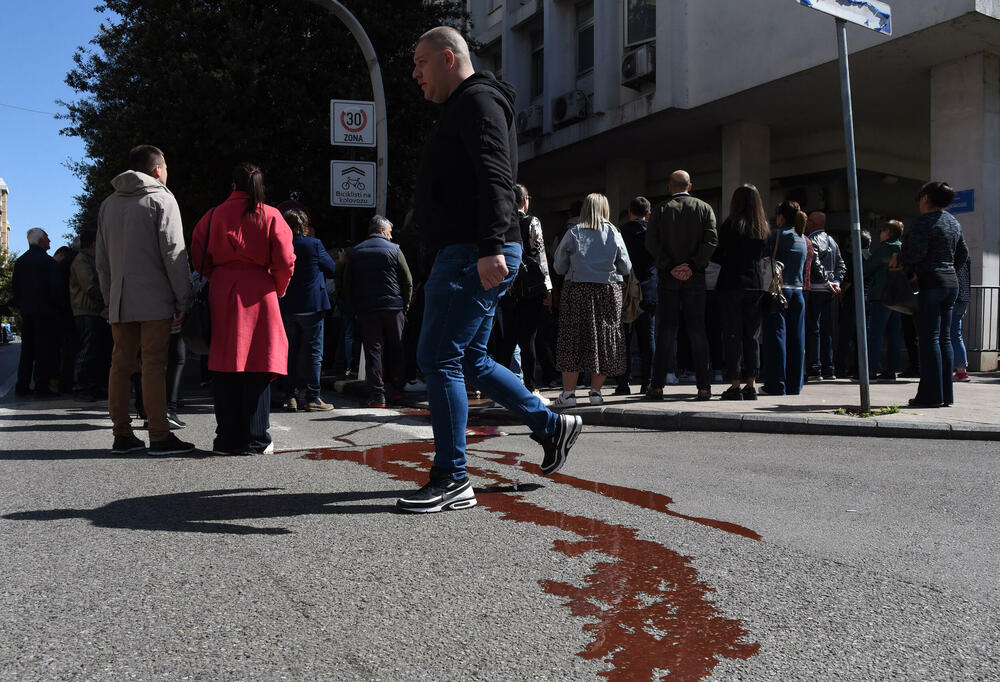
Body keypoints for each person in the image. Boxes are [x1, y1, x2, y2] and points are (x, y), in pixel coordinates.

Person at [400, 26, 583, 513]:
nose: (414, 74)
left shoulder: (477, 101)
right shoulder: (468, 104)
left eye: (420, 63)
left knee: (438, 357)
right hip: (471, 249)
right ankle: (550, 424)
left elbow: (496, 176)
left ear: (447, 58)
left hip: (472, 252)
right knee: (470, 361)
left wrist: (489, 246)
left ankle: (452, 478)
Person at [191, 162, 295, 454]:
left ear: (232, 185)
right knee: (259, 363)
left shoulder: (212, 216)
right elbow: (286, 260)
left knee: (224, 364)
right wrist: (277, 286)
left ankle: (226, 438)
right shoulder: (272, 215)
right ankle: (256, 438)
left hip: (223, 289)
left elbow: (198, 256)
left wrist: (218, 275)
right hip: (260, 291)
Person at [97, 145, 193, 455]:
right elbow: (174, 254)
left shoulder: (108, 205)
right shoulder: (162, 199)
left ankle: (121, 434)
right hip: (155, 300)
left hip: (120, 301)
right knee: (154, 365)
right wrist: (183, 298)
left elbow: (101, 261)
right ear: (156, 170)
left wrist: (110, 298)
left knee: (120, 365)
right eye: (165, 167)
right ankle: (160, 435)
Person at [551, 193, 631, 406]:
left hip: (577, 290)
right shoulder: (614, 232)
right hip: (607, 290)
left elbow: (558, 266)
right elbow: (626, 266)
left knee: (573, 340)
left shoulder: (574, 232)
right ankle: (596, 392)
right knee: (604, 340)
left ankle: (568, 395)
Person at [645, 170, 718, 401]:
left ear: (670, 187)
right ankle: (704, 387)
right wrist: (693, 266)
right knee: (698, 330)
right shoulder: (704, 208)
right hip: (695, 277)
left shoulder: (660, 210)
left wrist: (669, 266)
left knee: (666, 330)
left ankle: (657, 386)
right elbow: (711, 240)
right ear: (690, 186)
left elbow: (652, 242)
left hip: (668, 276)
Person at [898, 181, 968, 407]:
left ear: (926, 198)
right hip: (950, 284)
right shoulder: (954, 223)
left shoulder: (923, 222)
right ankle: (946, 395)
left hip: (930, 283)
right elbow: (962, 254)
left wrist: (905, 264)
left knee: (928, 340)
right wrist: (949, 270)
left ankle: (929, 396)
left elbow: (916, 253)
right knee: (945, 338)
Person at [343, 215, 413, 408]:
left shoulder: (356, 252)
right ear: (382, 231)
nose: (391, 237)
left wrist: (354, 308)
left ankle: (377, 395)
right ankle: (398, 389)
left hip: (367, 309)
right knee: (397, 347)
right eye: (389, 233)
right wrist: (404, 307)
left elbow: (348, 284)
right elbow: (407, 281)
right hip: (393, 308)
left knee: (373, 350)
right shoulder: (395, 250)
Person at [711, 184, 768, 400]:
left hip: (731, 283)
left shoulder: (731, 224)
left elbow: (716, 255)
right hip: (755, 284)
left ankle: (734, 383)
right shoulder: (762, 226)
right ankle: (751, 384)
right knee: (751, 336)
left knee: (732, 334)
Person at [495, 184, 553, 399]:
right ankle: (530, 388)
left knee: (507, 339)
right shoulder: (531, 221)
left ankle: (499, 388)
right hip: (530, 288)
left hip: (507, 286)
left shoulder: (501, 222)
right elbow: (540, 256)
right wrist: (547, 287)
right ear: (524, 199)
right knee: (528, 339)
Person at [279, 207, 336, 412]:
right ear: (303, 225)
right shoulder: (314, 244)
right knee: (313, 353)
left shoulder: (280, 245)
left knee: (290, 352)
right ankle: (312, 397)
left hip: (287, 306)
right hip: (312, 306)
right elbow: (331, 268)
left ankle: (290, 396)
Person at [759, 201, 809, 396]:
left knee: (776, 337)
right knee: (797, 339)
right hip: (798, 292)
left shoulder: (776, 235)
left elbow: (764, 259)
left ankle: (775, 384)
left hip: (778, 291)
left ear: (780, 216)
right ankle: (794, 385)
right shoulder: (803, 238)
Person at [11, 228, 62, 397]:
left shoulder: (20, 262)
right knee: (44, 350)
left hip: (27, 312)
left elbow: (15, 289)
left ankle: (22, 384)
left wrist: (22, 306)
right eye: (47, 238)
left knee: (27, 351)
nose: (49, 241)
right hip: (46, 313)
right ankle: (41, 385)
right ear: (40, 240)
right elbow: (56, 289)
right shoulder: (49, 263)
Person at [614, 196, 655, 395]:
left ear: (630, 213)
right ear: (648, 214)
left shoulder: (620, 232)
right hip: (649, 289)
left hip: (624, 289)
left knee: (624, 339)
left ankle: (623, 383)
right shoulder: (654, 233)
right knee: (648, 337)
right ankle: (648, 382)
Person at [68, 229, 111, 401]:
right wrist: (108, 295)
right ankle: (80, 388)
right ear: (94, 244)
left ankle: (92, 386)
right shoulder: (81, 261)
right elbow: (91, 287)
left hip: (94, 311)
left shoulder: (89, 260)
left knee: (96, 351)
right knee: (87, 352)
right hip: (86, 312)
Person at [803, 211, 846, 381]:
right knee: (827, 329)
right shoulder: (832, 241)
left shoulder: (811, 240)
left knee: (814, 329)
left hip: (816, 289)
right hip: (830, 291)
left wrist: (825, 281)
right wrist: (836, 281)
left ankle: (815, 368)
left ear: (812, 224)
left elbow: (815, 263)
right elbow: (841, 264)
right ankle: (829, 367)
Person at [864, 219, 904, 382]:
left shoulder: (883, 249)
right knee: (894, 334)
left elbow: (867, 269)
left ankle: (872, 369)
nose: (880, 233)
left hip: (881, 295)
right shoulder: (903, 249)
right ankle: (892, 370)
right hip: (899, 297)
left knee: (876, 334)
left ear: (888, 233)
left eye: (882, 230)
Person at [951, 258, 972, 382]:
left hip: (954, 297)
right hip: (963, 297)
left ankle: (958, 369)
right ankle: (961, 370)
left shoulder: (951, 256)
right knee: (956, 334)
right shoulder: (966, 257)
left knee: (949, 335)